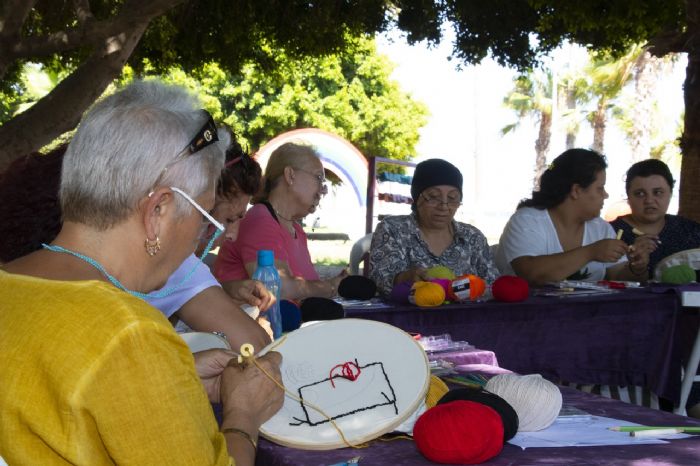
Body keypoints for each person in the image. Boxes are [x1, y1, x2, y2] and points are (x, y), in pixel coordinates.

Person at [0, 80, 283, 466]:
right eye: (204, 222)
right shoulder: (130, 334)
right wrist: (242, 416)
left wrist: (167, 382)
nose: (203, 240)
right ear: (158, 212)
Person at [0, 135, 273, 352]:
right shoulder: (121, 324)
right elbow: (252, 344)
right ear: (160, 206)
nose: (231, 233)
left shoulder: (23, 271)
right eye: (222, 218)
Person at [496, 148, 655, 285]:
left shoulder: (600, 228)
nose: (605, 195)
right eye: (600, 188)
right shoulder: (528, 220)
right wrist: (591, 252)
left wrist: (637, 267)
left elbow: (618, 275)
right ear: (576, 190)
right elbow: (531, 273)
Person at [214, 142, 346, 300]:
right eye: (318, 178)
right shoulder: (260, 220)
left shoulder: (296, 230)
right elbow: (279, 289)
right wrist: (332, 286)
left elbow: (304, 289)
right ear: (290, 175)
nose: (323, 190)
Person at [368, 158, 499, 298]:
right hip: (407, 318)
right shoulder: (393, 229)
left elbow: (493, 285)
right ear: (417, 198)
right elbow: (379, 281)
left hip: (465, 318)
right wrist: (403, 278)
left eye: (452, 198)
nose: (444, 206)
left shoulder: (472, 237)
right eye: (434, 197)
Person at [610, 158, 700, 277]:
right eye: (640, 194)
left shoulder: (691, 231)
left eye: (657, 192)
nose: (649, 200)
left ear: (670, 193)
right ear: (628, 197)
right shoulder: (610, 233)